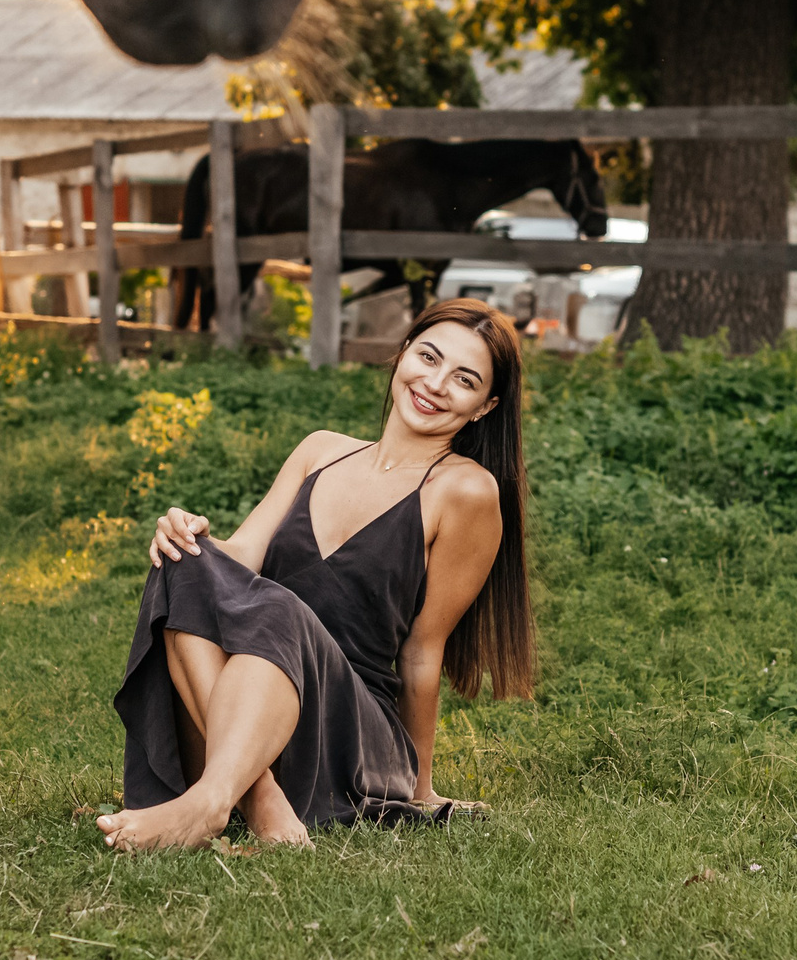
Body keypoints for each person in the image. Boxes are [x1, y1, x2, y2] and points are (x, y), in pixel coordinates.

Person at [98, 297, 536, 851]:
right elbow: (240, 556)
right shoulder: (319, 452)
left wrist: (418, 791)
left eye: (464, 379)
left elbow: (424, 651)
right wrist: (186, 532)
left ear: (484, 406)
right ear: (401, 354)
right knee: (185, 559)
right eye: (428, 356)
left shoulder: (465, 491)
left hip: (350, 733)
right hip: (243, 712)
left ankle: (210, 803)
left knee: (279, 607)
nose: (436, 383)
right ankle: (258, 798)